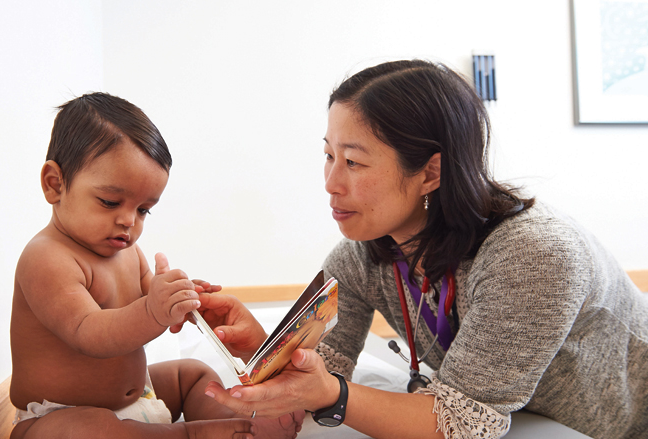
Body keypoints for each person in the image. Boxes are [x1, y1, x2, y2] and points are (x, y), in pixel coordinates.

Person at [197, 60, 648, 439]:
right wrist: (266, 346)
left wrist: (331, 394)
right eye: (329, 155)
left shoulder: (534, 255)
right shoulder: (359, 257)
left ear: (430, 173)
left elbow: (462, 421)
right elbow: (322, 368)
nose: (331, 183)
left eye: (353, 161)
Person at [9, 92, 303, 439]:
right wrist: (153, 311)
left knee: (191, 373)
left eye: (144, 209)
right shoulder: (47, 258)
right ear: (55, 184)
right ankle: (195, 434)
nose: (128, 221)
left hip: (141, 395)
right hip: (59, 416)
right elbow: (88, 332)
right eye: (110, 201)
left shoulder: (127, 252)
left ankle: (240, 423)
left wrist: (180, 300)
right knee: (91, 431)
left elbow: (151, 298)